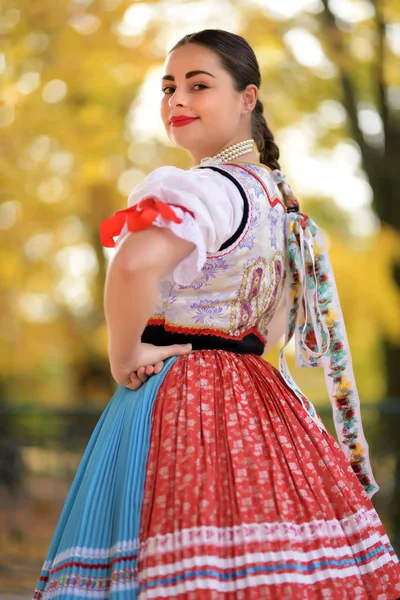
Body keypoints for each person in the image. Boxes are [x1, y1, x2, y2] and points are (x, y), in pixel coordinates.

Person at [33, 29, 400, 599]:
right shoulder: (277, 201)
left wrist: (125, 353)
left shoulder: (205, 189)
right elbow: (272, 331)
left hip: (183, 398)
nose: (176, 100)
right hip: (263, 401)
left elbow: (132, 266)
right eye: (168, 87)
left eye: (198, 86)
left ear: (247, 98)